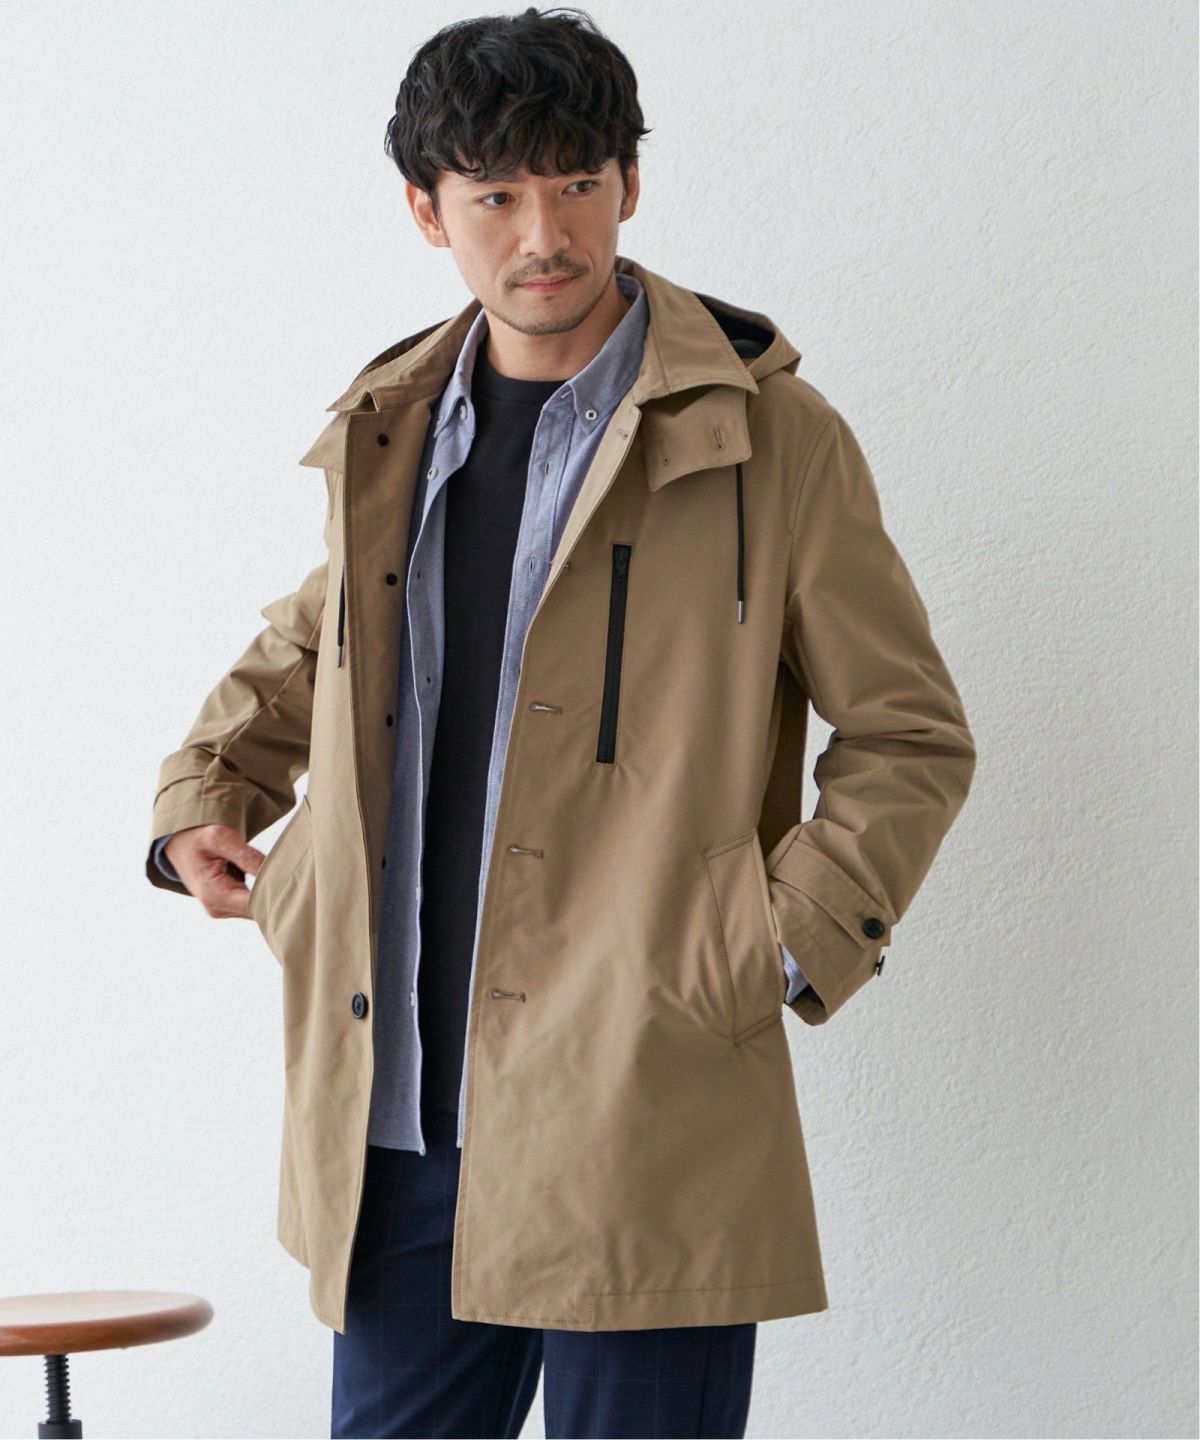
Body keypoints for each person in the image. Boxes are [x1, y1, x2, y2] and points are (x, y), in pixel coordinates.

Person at [145, 8, 977, 1437]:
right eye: (497, 196)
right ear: (429, 211)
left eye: (579, 184)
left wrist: (767, 949)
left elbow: (908, 734)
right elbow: (318, 641)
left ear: (630, 184)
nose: (547, 235)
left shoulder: (770, 437)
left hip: (642, 1108)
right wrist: (197, 801)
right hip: (397, 1117)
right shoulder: (393, 428)